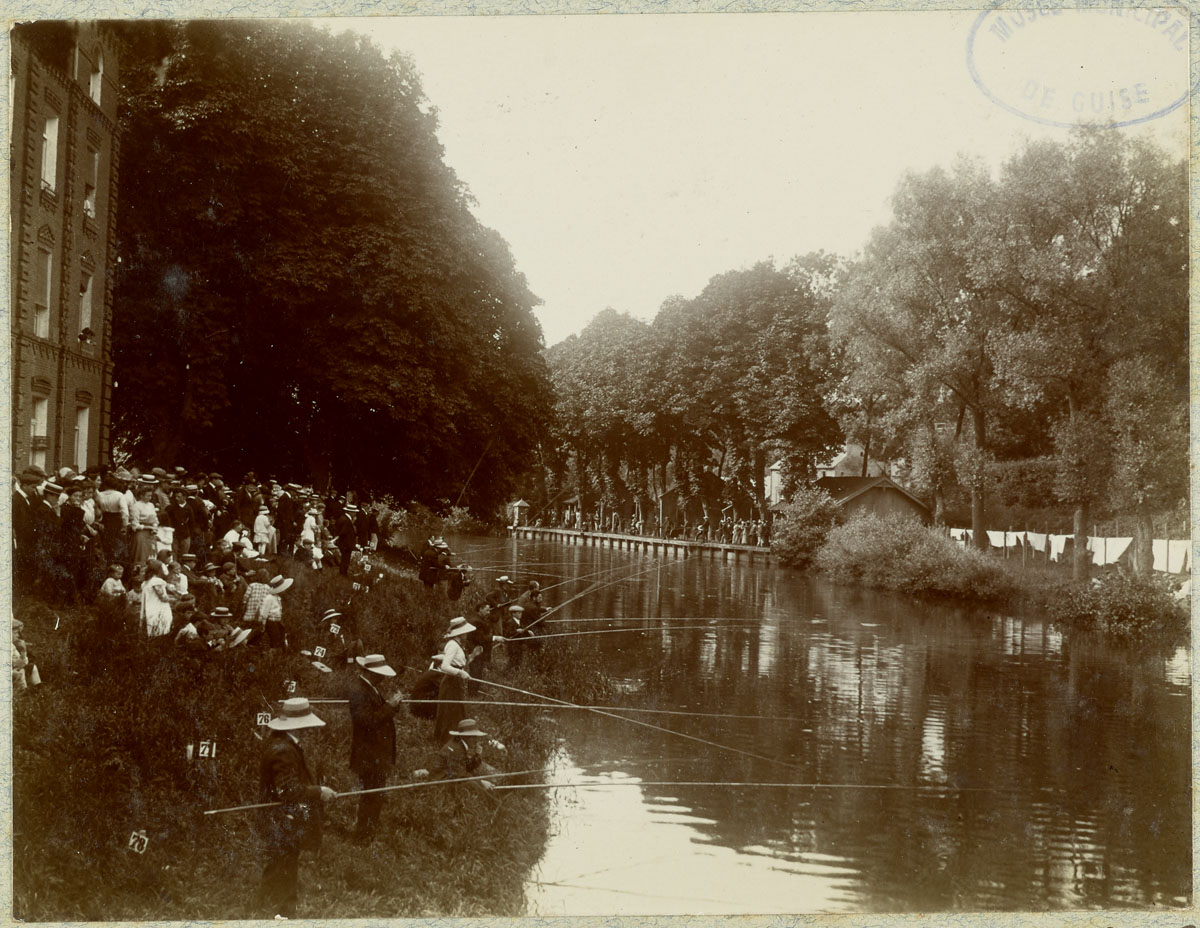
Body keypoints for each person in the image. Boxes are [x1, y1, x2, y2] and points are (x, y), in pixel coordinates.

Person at [257, 697, 337, 919]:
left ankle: (259, 908)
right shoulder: (283, 750)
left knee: (277, 864)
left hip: (278, 819)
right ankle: (284, 916)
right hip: (281, 821)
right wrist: (319, 791)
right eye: (308, 726)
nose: (310, 730)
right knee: (286, 871)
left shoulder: (282, 742)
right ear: (299, 725)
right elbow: (288, 792)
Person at [347, 654, 404, 842]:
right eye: (380, 674)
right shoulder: (359, 691)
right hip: (369, 755)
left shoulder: (369, 688)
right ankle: (363, 837)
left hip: (375, 754)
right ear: (371, 673)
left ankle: (367, 835)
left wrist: (392, 707)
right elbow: (367, 721)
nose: (383, 678)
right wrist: (390, 705)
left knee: (375, 795)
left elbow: (377, 715)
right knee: (371, 796)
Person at [433, 616, 476, 743]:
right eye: (465, 632)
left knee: (456, 709)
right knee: (450, 711)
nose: (467, 634)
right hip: (451, 681)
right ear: (460, 633)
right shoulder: (453, 645)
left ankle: (457, 737)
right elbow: (445, 666)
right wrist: (460, 672)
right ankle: (448, 740)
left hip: (455, 681)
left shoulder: (457, 644)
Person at [439, 719, 499, 791]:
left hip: (450, 778)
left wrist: (477, 755)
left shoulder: (458, 743)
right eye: (473, 737)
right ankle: (496, 802)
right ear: (465, 737)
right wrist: (481, 782)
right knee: (473, 784)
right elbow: (461, 775)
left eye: (475, 736)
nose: (476, 740)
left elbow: (466, 767)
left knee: (474, 781)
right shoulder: (456, 748)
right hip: (441, 783)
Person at [140, 558, 173, 637]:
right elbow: (163, 598)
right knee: (160, 631)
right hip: (158, 608)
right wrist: (176, 599)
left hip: (150, 608)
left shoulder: (146, 582)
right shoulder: (156, 581)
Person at [260, 575, 293, 649]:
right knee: (275, 637)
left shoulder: (278, 597)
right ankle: (274, 651)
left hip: (277, 621)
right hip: (271, 621)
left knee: (282, 634)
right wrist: (263, 624)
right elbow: (264, 612)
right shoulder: (269, 598)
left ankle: (282, 650)